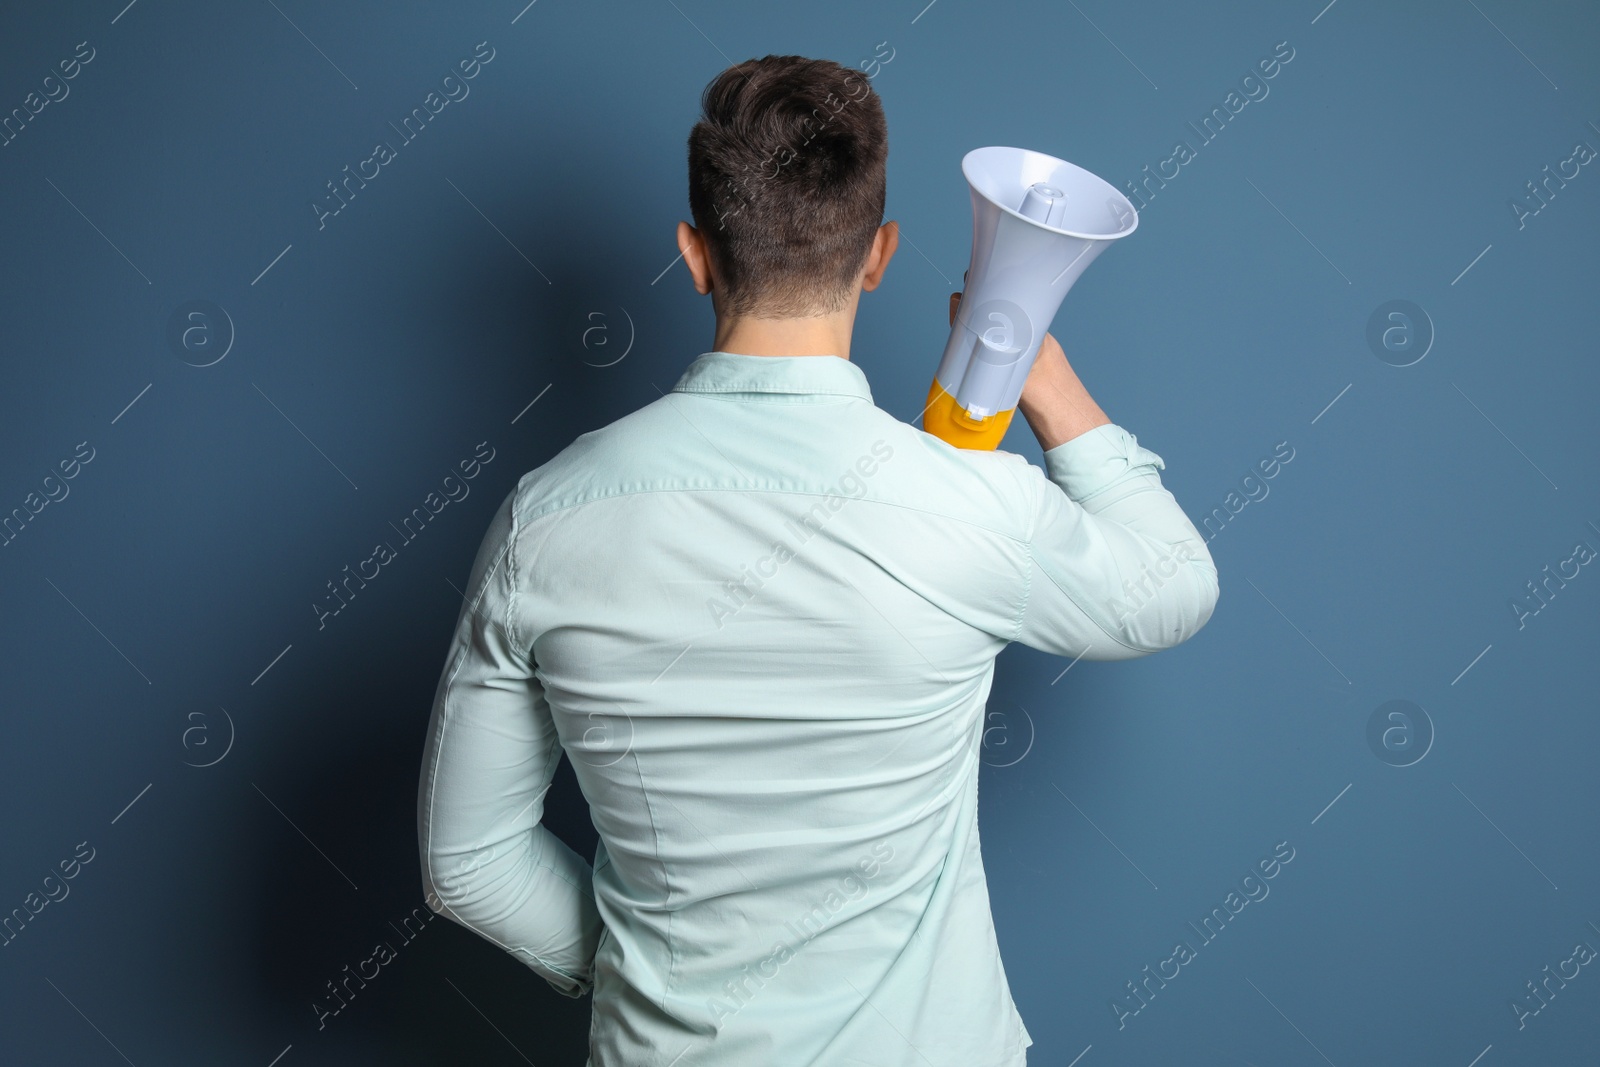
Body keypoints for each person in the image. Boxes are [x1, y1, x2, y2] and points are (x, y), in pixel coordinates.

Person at [416, 54, 1218, 1067]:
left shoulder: (548, 518)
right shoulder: (969, 505)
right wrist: (1047, 386)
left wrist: (640, 971)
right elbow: (1173, 585)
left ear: (694, 255)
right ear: (878, 255)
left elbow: (468, 864)